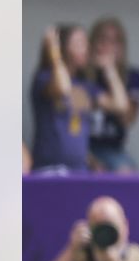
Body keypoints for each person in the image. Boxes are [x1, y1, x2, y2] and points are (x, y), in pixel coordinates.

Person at [29, 24, 98, 173]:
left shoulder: (85, 85)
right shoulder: (45, 78)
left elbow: (119, 105)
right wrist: (54, 52)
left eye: (86, 43)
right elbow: (63, 87)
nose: (86, 49)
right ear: (63, 47)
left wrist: (109, 68)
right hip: (50, 168)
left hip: (79, 168)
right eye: (79, 43)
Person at [87, 17, 139, 172]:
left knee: (126, 172)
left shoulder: (133, 75)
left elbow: (127, 118)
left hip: (112, 148)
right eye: (104, 39)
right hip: (82, 147)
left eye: (115, 41)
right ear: (92, 43)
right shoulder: (81, 75)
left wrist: (110, 72)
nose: (109, 47)